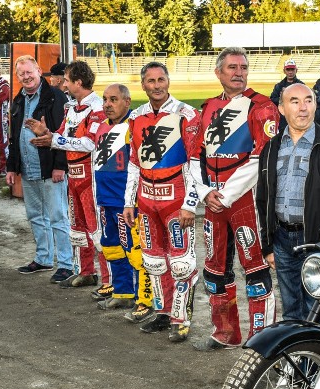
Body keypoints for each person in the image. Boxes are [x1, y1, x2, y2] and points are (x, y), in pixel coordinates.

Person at [189, 46, 278, 350]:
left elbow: (261, 158)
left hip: (246, 203)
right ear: (219, 73)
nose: (239, 72)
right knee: (215, 271)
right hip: (214, 202)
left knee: (255, 271)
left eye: (243, 67)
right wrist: (206, 193)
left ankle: (261, 341)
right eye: (232, 67)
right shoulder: (209, 107)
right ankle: (225, 333)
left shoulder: (262, 107)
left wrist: (224, 195)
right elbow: (195, 156)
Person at [257, 83, 320, 321]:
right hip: (282, 243)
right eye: (294, 101)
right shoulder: (272, 147)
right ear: (281, 108)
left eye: (308, 100)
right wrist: (268, 245)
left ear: (315, 104)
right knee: (292, 311)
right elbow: (263, 198)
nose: (303, 108)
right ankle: (298, 357)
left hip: (319, 242)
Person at [123, 62, 201, 337]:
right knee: (154, 261)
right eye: (150, 81)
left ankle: (181, 320)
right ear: (142, 85)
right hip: (145, 199)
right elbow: (133, 163)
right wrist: (128, 201)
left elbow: (194, 164)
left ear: (168, 81)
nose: (156, 86)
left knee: (181, 263)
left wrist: (190, 204)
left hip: (175, 197)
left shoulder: (187, 114)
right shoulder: (135, 117)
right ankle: (163, 312)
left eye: (161, 80)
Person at [32, 61, 109, 291]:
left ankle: (109, 280)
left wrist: (54, 140)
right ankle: (85, 272)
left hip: (91, 176)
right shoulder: (70, 107)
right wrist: (45, 133)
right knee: (77, 228)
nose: (63, 83)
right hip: (73, 175)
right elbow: (62, 134)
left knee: (97, 230)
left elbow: (89, 143)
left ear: (78, 82)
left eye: (66, 79)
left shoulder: (97, 107)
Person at [89, 83, 154, 320]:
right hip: (105, 200)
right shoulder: (100, 127)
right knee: (112, 247)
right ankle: (123, 292)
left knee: (136, 252)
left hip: (127, 203)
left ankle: (145, 300)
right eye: (105, 99)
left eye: (113, 99)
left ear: (127, 101)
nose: (107, 104)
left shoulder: (135, 126)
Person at [5, 55, 72, 283]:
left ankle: (66, 264)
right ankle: (43, 258)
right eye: (21, 74)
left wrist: (60, 166)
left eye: (29, 72)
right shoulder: (18, 100)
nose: (26, 77)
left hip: (51, 168)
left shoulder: (55, 96)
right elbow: (14, 137)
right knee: (35, 216)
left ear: (38, 70)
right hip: (28, 168)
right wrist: (12, 167)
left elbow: (64, 134)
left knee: (57, 217)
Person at [270, 59, 303, 130]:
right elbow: (272, 99)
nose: (290, 72)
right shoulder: (279, 86)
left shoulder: (301, 85)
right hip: (282, 119)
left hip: (297, 118)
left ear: (296, 70)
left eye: (292, 69)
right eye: (288, 69)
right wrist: (285, 99)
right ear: (284, 71)